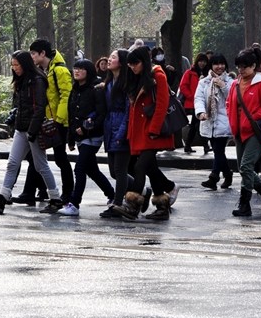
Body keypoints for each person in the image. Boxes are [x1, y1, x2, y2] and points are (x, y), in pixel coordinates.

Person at [0, 51, 61, 214]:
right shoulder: (21, 80)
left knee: (41, 165)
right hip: (21, 128)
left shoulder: (37, 80)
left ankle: (55, 198)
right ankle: (2, 198)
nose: (14, 68)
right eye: (12, 65)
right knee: (12, 163)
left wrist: (32, 131)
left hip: (34, 130)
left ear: (25, 64)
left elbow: (39, 108)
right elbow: (22, 105)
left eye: (16, 65)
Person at [113, 47, 179, 221]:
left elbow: (162, 104)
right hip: (141, 131)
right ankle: (163, 204)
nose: (132, 67)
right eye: (130, 64)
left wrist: (154, 129)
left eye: (135, 63)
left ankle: (133, 205)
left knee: (140, 167)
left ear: (144, 61)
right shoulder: (138, 77)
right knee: (151, 168)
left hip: (153, 131)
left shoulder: (158, 75)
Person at [11, 39, 73, 213]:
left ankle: (67, 194)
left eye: (33, 53)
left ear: (42, 54)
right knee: (34, 158)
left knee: (60, 158)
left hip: (57, 122)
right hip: (44, 121)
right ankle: (32, 192)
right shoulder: (42, 70)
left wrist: (59, 120)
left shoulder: (59, 70)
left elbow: (66, 96)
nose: (31, 56)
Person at [225, 47, 261, 217]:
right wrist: (233, 122)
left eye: (244, 66)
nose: (241, 70)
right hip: (238, 131)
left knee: (246, 166)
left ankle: (245, 204)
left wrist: (251, 119)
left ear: (254, 66)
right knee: (244, 169)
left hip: (255, 132)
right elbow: (229, 104)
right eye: (239, 66)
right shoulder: (235, 84)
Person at [58, 59, 115, 216]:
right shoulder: (75, 89)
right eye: (75, 68)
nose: (77, 71)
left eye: (81, 69)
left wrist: (86, 128)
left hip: (93, 137)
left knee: (80, 168)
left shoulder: (96, 89)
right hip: (79, 137)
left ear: (88, 71)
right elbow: (71, 115)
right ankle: (113, 195)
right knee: (92, 170)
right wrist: (70, 138)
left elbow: (102, 114)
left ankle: (74, 204)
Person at [98, 49, 147, 219]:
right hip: (109, 127)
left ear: (122, 62)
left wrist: (122, 133)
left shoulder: (127, 84)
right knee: (113, 171)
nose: (109, 59)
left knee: (119, 170)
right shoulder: (109, 82)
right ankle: (143, 190)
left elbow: (128, 112)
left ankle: (117, 204)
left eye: (113, 57)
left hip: (122, 128)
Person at [194, 54, 235, 190]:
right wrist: (201, 112)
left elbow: (233, 99)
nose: (219, 67)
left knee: (218, 149)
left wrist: (223, 86)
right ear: (211, 66)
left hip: (224, 121)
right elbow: (199, 98)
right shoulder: (204, 82)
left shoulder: (230, 82)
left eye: (222, 64)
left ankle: (214, 177)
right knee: (218, 152)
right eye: (216, 64)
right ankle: (227, 173)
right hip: (209, 120)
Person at [179, 53, 210, 154]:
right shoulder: (189, 73)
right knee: (197, 124)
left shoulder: (208, 73)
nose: (202, 63)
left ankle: (188, 145)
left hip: (204, 103)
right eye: (200, 61)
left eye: (204, 61)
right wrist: (192, 96)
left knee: (194, 125)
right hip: (193, 103)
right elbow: (183, 86)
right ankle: (205, 145)